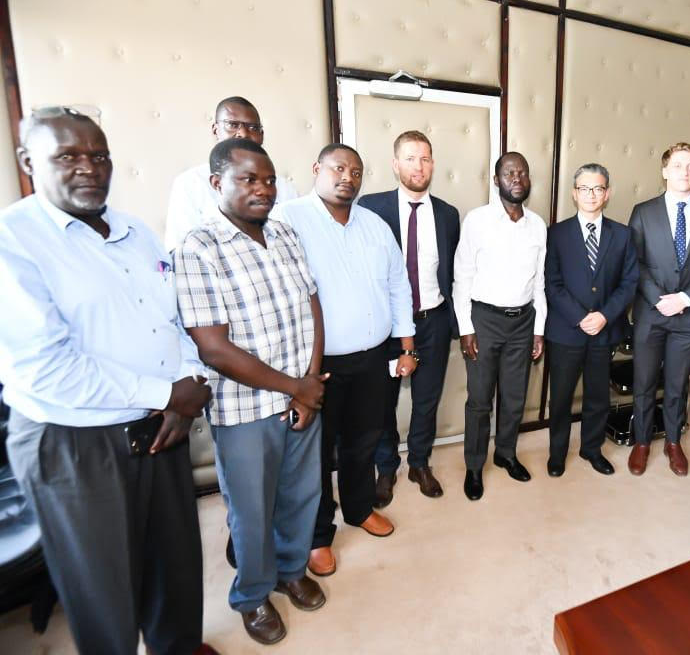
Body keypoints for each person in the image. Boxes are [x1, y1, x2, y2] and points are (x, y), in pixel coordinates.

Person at [0, 107, 216, 655]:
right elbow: (48, 367)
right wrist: (168, 394)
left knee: (175, 565)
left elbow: (171, 320)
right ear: (29, 162)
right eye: (67, 156)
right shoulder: (14, 242)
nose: (88, 168)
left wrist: (189, 380)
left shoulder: (135, 230)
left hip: (160, 427)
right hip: (74, 441)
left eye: (98, 155)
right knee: (103, 589)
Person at [175, 138, 327, 645]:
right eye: (248, 179)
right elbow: (214, 348)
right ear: (217, 184)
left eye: (268, 179)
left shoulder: (283, 232)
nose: (263, 189)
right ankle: (253, 594)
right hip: (245, 410)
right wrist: (298, 388)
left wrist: (309, 383)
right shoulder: (199, 247)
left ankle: (289, 570)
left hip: (301, 396)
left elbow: (312, 305)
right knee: (252, 511)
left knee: (301, 495)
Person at [276, 144, 414, 577]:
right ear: (317, 169)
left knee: (363, 440)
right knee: (315, 453)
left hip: (373, 358)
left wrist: (407, 347)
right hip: (318, 366)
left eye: (356, 171)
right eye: (339, 168)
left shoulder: (375, 225)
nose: (348, 177)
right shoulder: (288, 219)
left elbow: (398, 286)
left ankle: (357, 509)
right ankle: (318, 535)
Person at [360, 130, 460, 505]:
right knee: (382, 401)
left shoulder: (448, 215)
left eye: (425, 158)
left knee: (427, 399)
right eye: (410, 158)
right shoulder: (371, 208)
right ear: (395, 163)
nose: (419, 166)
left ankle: (419, 462)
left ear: (433, 164)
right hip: (386, 326)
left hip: (432, 320)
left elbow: (451, 273)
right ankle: (386, 468)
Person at [627, 142, 690, 477]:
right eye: (679, 165)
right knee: (643, 382)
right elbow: (635, 261)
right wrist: (659, 298)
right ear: (664, 170)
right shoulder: (643, 211)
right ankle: (641, 442)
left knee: (677, 383)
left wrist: (684, 298)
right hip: (650, 314)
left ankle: (672, 441)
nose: (685, 172)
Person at [453, 151, 546, 500]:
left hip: (523, 321)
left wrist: (539, 328)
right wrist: (465, 327)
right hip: (484, 320)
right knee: (479, 400)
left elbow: (539, 283)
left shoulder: (537, 225)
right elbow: (461, 276)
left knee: (514, 396)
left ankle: (506, 453)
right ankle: (474, 466)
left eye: (522, 172)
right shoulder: (477, 220)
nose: (517, 178)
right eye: (509, 173)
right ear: (496, 180)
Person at [544, 163, 638, 477]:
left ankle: (591, 449)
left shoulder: (622, 235)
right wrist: (581, 317)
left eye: (598, 188)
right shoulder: (555, 234)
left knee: (598, 396)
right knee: (560, 398)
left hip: (604, 331)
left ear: (607, 193)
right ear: (574, 193)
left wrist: (604, 316)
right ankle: (557, 453)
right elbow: (552, 283)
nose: (591, 194)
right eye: (584, 188)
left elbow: (629, 283)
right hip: (566, 331)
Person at [164, 96, 298, 251]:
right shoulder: (190, 183)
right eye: (232, 125)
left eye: (253, 128)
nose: (243, 133)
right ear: (216, 130)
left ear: (261, 135)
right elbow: (181, 250)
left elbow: (296, 244)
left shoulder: (285, 188)